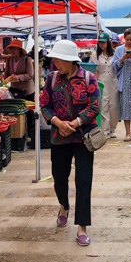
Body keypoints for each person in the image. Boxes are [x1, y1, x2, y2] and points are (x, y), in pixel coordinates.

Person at [39, 39, 101, 247]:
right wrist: (57, 122)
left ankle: (82, 227)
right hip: (59, 136)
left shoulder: (88, 78)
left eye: (58, 59)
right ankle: (64, 206)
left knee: (84, 181)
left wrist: (74, 122)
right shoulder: (51, 79)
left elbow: (95, 107)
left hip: (83, 136)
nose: (55, 63)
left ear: (70, 60)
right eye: (54, 59)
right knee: (59, 177)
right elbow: (44, 105)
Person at [91, 33, 119, 138]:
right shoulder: (95, 55)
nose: (101, 44)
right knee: (104, 106)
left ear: (108, 42)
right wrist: (96, 84)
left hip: (113, 81)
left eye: (103, 42)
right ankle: (105, 130)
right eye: (100, 42)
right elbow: (95, 70)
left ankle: (113, 128)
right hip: (101, 81)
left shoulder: (115, 54)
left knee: (114, 106)